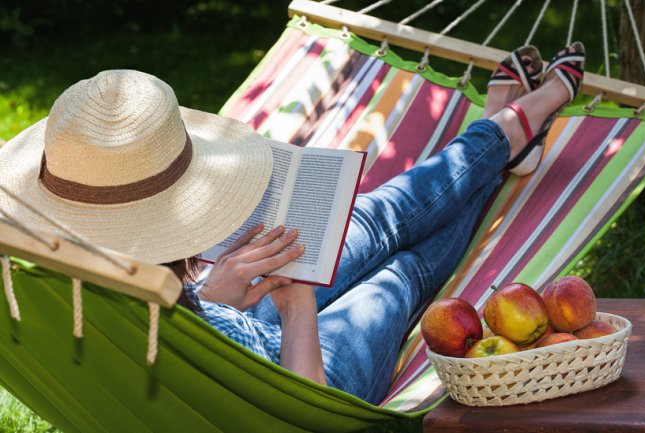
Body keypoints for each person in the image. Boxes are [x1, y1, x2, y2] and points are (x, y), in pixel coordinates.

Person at [0, 42, 585, 405]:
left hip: (222, 309)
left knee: (376, 219)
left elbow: (172, 318)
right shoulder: (135, 306)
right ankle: (516, 123)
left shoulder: (64, 280)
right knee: (400, 271)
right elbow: (301, 410)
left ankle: (502, 133)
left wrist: (208, 297)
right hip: (300, 376)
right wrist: (298, 307)